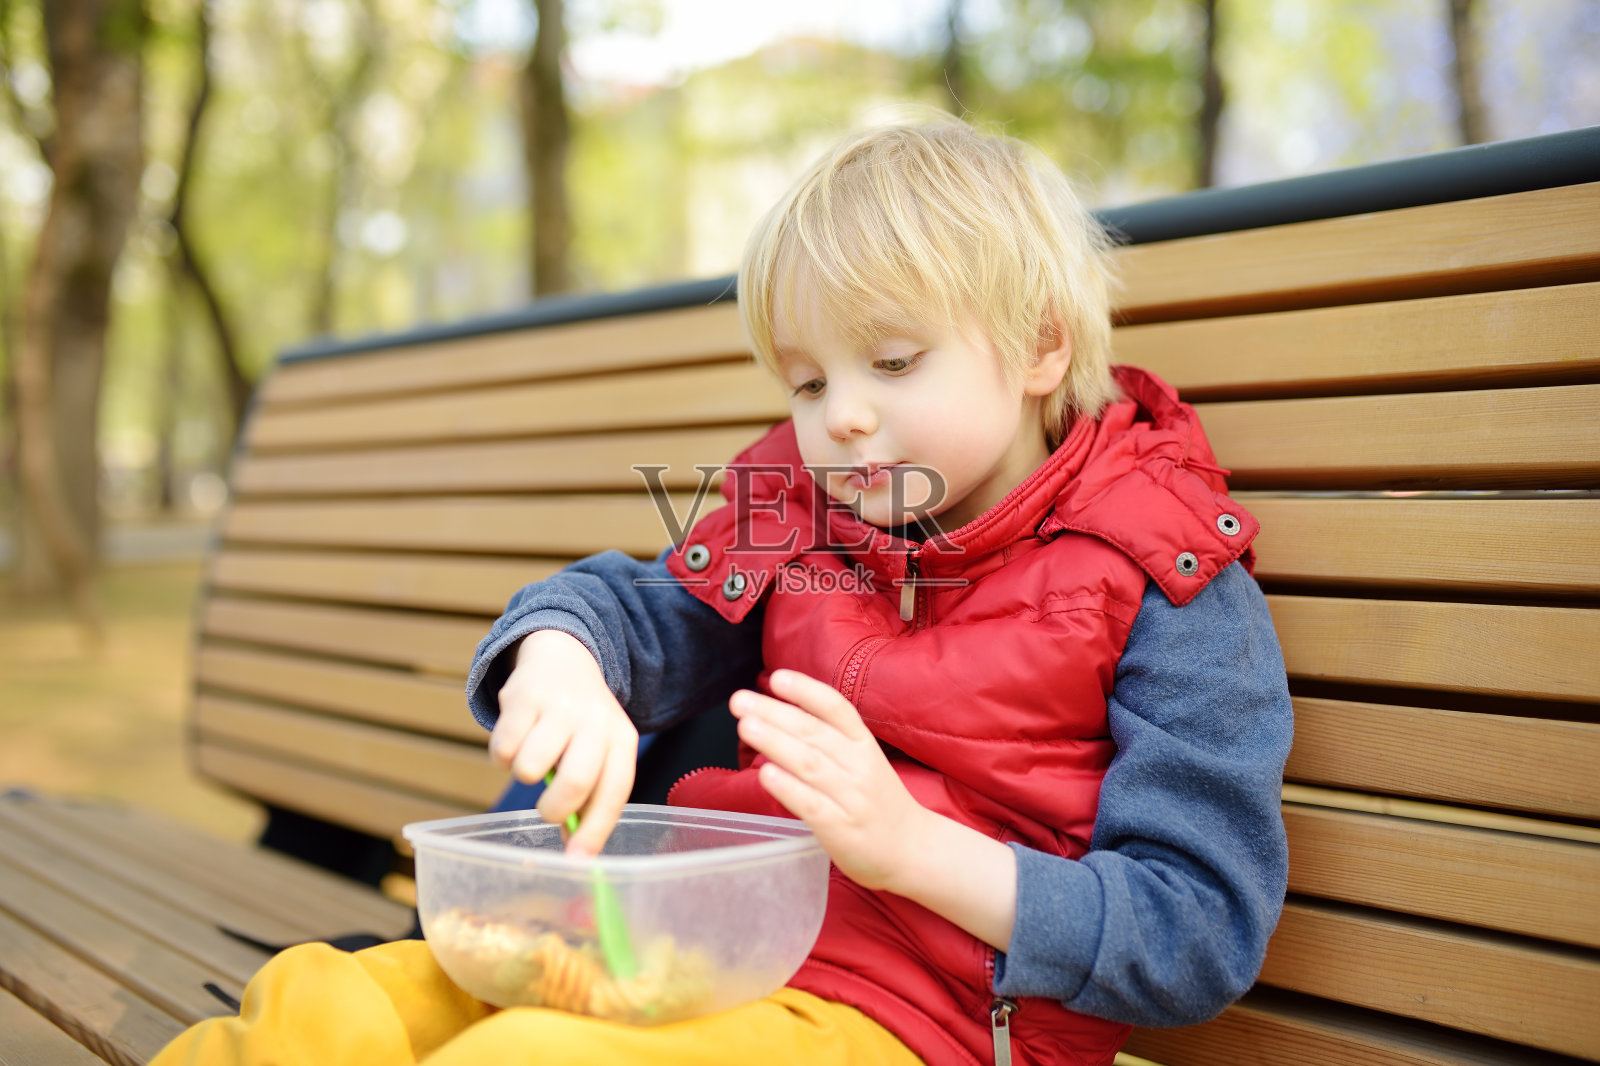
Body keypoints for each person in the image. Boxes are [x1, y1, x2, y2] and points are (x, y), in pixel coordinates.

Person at [152, 113, 1291, 1066]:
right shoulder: (800, 502)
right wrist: (566, 661)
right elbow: (644, 612)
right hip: (692, 943)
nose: (840, 415)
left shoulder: (1164, 574)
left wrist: (905, 847)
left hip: (916, 1024)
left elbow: (1194, 930)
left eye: (893, 363)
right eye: (808, 378)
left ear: (1041, 346)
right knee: (321, 1002)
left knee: (524, 1058)